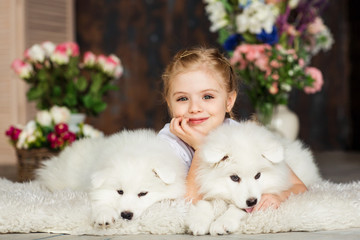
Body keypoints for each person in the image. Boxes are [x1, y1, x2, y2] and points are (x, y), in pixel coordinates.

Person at [158, 46, 307, 211]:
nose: (194, 108)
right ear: (170, 104)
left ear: (229, 101)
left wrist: (278, 196)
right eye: (182, 98)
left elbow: (299, 186)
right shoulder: (168, 145)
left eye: (207, 96)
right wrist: (201, 148)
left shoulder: (242, 136)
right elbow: (186, 205)